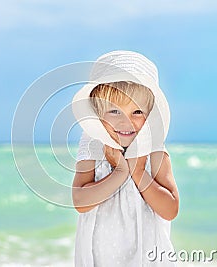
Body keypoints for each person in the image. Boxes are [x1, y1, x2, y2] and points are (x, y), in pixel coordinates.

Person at [71, 50, 179, 266]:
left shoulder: (154, 151)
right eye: (114, 112)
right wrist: (120, 172)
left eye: (137, 112)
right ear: (97, 113)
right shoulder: (93, 145)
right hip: (100, 259)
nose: (125, 123)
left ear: (150, 114)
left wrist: (138, 172)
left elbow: (170, 209)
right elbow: (80, 202)